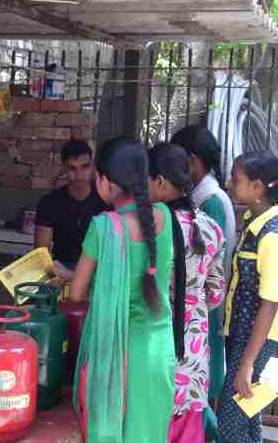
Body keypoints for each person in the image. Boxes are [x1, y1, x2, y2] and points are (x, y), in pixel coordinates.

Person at [70, 136, 175, 443]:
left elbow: (76, 292)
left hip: (119, 356)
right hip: (159, 351)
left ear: (104, 181)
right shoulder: (166, 217)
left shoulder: (103, 228)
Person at [218, 151, 278, 443]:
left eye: (236, 180)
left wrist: (247, 363)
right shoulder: (253, 222)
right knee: (247, 416)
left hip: (255, 342)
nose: (230, 184)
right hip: (240, 335)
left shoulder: (274, 235)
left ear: (257, 187)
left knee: (229, 424)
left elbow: (270, 303)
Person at [148, 144, 227, 443]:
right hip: (192, 356)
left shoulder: (146, 228)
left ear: (159, 182)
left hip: (152, 349)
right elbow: (216, 295)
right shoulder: (211, 229)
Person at [171, 124, 236, 405]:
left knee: (200, 382)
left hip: (202, 302)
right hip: (200, 301)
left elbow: (207, 263)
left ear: (193, 162)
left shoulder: (210, 202)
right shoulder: (203, 196)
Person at [35, 139, 109, 279]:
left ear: (93, 166)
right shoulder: (49, 202)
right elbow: (41, 254)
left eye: (85, 167)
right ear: (64, 168)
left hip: (99, 271)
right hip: (61, 268)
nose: (79, 175)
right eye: (72, 168)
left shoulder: (106, 200)